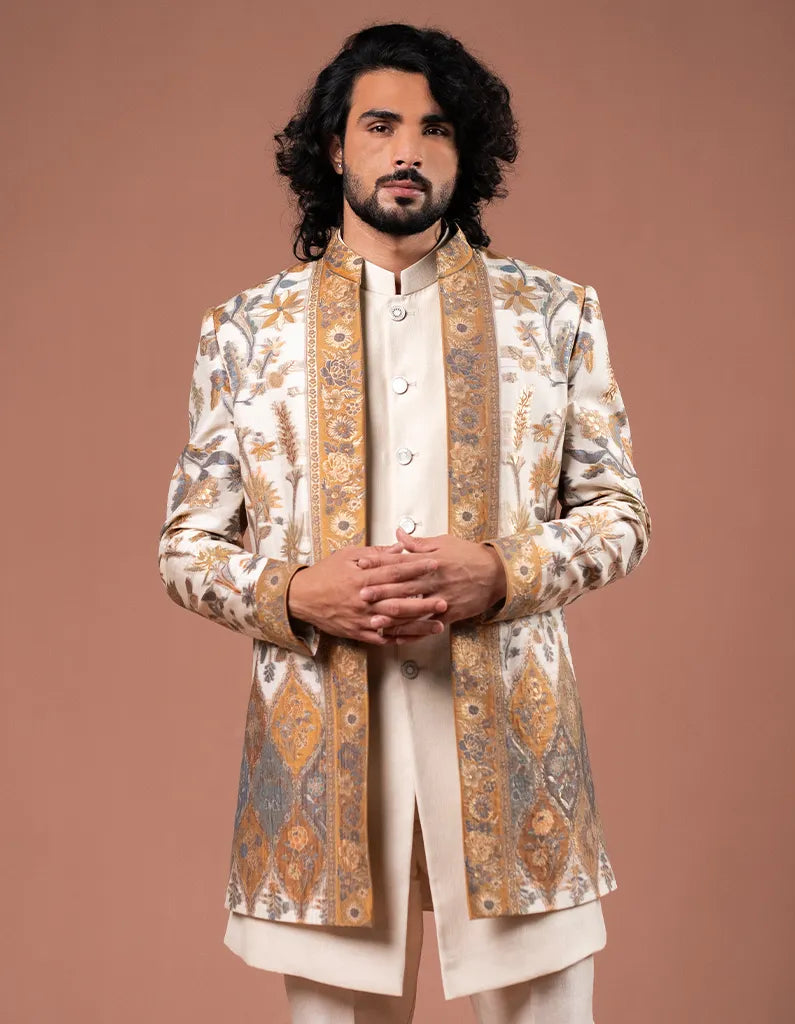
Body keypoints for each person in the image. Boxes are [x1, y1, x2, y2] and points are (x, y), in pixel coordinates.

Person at [157, 22, 652, 1024]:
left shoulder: (552, 314)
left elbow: (616, 514)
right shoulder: (245, 331)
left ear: (462, 155)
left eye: (434, 130)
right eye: (380, 125)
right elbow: (186, 544)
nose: (407, 150)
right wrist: (296, 593)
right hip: (325, 756)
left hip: (514, 753)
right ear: (333, 147)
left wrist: (505, 573)